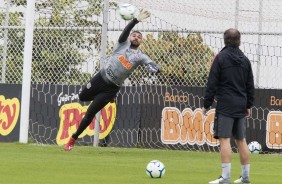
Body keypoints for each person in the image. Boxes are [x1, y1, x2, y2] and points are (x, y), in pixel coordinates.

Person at [64, 9, 161, 151]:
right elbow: (126, 31)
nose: (136, 37)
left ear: (141, 42)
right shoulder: (122, 44)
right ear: (130, 38)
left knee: (90, 113)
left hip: (111, 88)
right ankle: (105, 97)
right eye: (134, 35)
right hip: (101, 78)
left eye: (139, 37)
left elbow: (153, 65)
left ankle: (73, 139)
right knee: (82, 96)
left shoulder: (140, 56)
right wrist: (135, 20)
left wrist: (155, 69)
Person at [202, 28, 255, 184]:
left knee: (224, 139)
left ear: (224, 40)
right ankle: (245, 177)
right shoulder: (245, 60)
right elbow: (250, 85)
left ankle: (225, 178)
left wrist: (206, 104)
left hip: (225, 104)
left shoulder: (220, 58)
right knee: (241, 140)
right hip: (240, 105)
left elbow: (212, 83)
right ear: (239, 40)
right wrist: (249, 105)